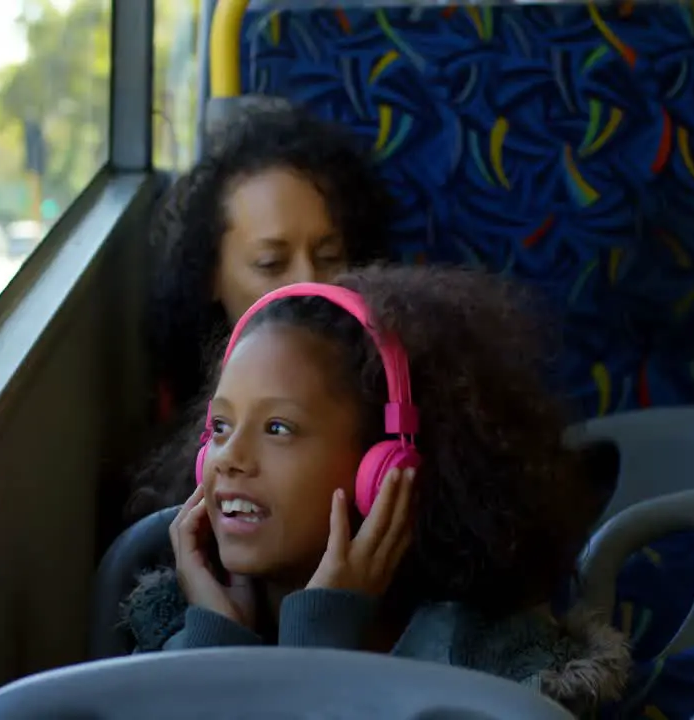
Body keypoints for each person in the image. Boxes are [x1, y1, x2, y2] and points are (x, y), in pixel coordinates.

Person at [120, 266, 630, 716]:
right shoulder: (181, 631)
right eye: (222, 427)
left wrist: (318, 656)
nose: (229, 457)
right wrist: (211, 651)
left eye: (278, 428)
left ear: (383, 470)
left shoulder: (487, 664)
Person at [121, 104, 395, 525]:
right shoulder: (168, 463)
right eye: (271, 263)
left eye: (329, 256)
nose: (309, 282)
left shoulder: (397, 401)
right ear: (209, 275)